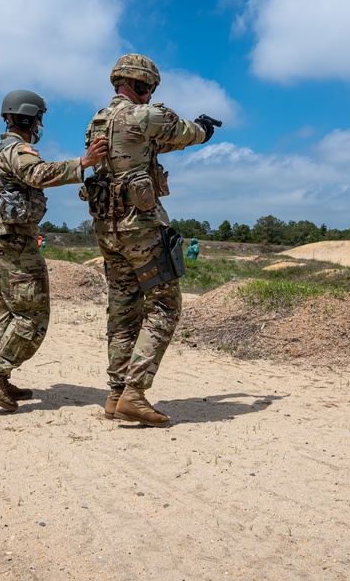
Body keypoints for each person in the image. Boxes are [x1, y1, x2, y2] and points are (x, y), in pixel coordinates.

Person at [83, 54, 216, 427]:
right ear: (142, 84)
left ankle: (115, 395)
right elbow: (183, 132)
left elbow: (152, 147)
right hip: (140, 226)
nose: (151, 94)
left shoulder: (97, 122)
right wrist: (204, 129)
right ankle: (135, 394)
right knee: (165, 305)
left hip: (107, 229)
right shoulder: (144, 115)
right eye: (150, 88)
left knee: (123, 310)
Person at [0, 89, 108, 412]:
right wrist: (83, 163)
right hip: (16, 243)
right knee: (32, 316)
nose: (41, 124)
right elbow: (37, 174)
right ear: (29, 118)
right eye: (39, 118)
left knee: (0, 312)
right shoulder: (19, 151)